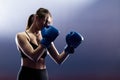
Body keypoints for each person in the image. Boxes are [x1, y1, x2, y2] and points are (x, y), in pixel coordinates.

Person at [15, 7, 83, 80]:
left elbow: (58, 59)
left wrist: (69, 48)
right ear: (36, 18)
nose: (47, 25)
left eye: (49, 23)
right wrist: (46, 40)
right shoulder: (22, 36)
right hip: (27, 75)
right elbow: (34, 57)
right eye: (46, 21)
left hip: (43, 75)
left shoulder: (45, 36)